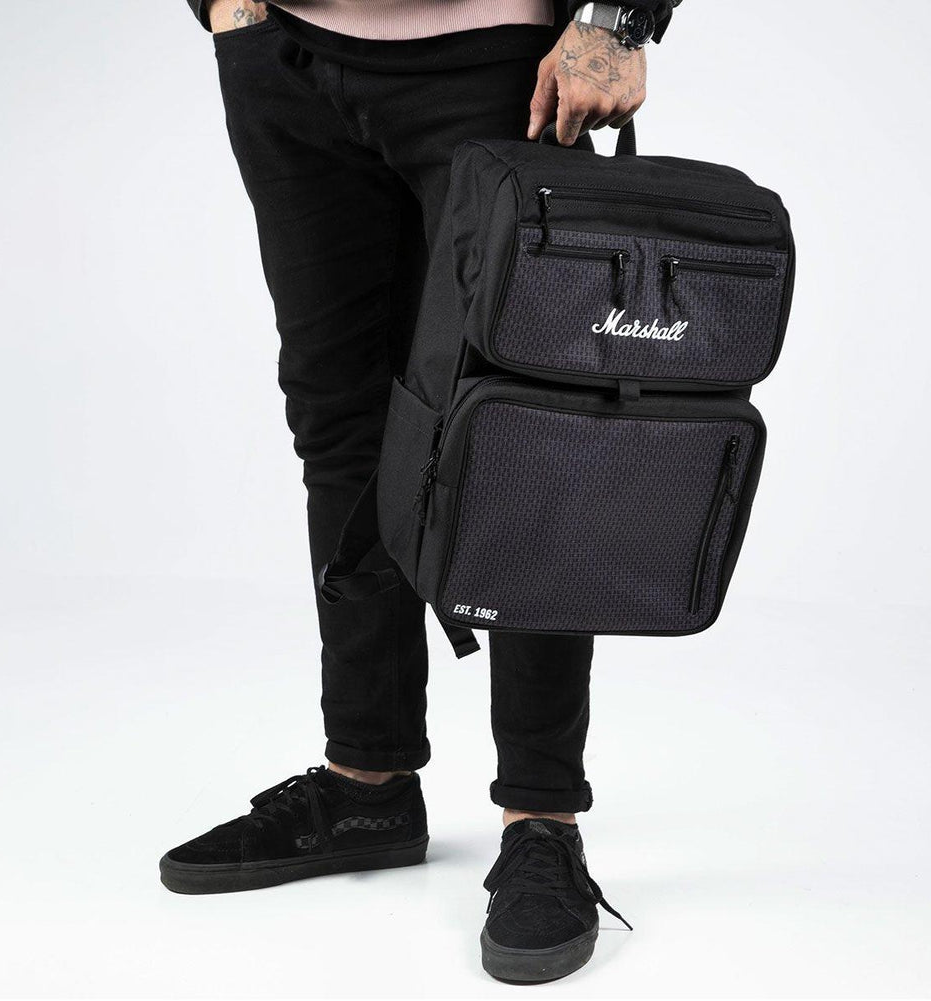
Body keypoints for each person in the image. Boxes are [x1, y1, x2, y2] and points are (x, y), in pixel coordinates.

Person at [161, 0, 678, 982]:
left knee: (527, 421)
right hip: (283, 54)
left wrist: (617, 20)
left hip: (494, 60)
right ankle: (368, 780)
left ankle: (541, 817)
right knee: (340, 420)